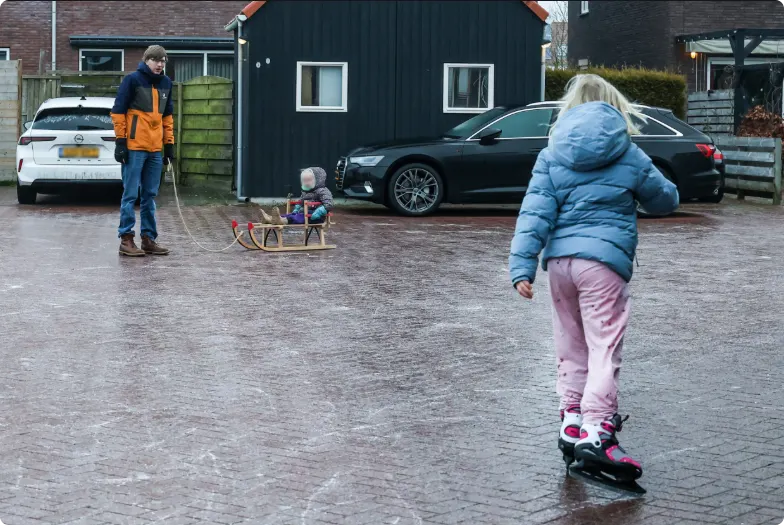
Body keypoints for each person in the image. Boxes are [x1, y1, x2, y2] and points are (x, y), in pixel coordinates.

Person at [508, 74, 679, 490]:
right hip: (602, 264)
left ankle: (571, 422)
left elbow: (534, 213)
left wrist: (521, 268)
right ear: (613, 107)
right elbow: (665, 199)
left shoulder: (552, 153)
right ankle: (598, 430)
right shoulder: (628, 153)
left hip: (560, 265)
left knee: (571, 345)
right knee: (604, 348)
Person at [111, 45, 174, 256]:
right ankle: (126, 239)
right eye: (156, 60)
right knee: (130, 195)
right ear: (147, 60)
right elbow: (118, 112)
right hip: (134, 148)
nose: (160, 64)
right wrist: (121, 142)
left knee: (150, 196)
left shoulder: (166, 83)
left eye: (163, 61)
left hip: (155, 150)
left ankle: (148, 238)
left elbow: (167, 117)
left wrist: (169, 145)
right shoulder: (132, 80)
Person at [260, 167, 334, 225]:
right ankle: (271, 219)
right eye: (304, 181)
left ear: (317, 180)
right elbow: (301, 201)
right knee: (290, 215)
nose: (306, 183)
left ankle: (281, 220)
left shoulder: (322, 191)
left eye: (308, 180)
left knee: (297, 217)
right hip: (305, 213)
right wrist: (297, 208)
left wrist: (319, 211)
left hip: (315, 217)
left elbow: (329, 203)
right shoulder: (305, 192)